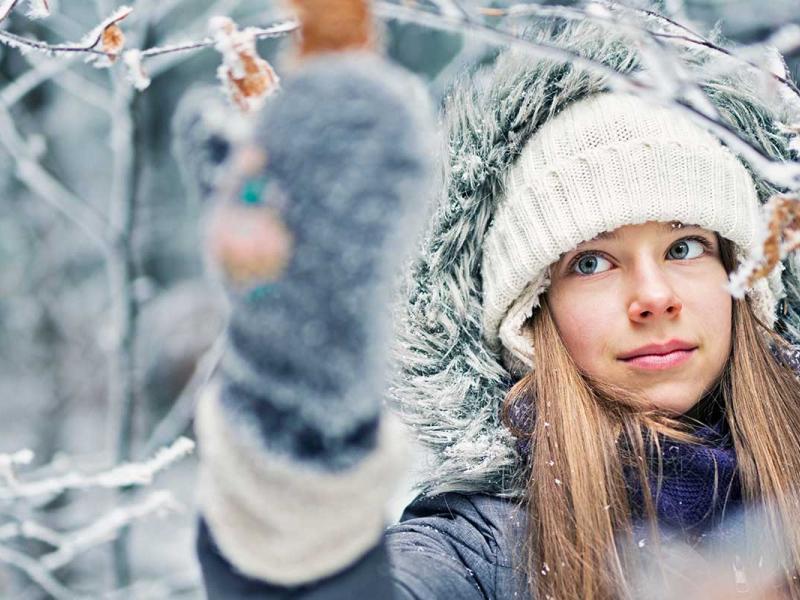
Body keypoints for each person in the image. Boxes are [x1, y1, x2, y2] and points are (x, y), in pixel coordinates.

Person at [188, 8, 800, 599]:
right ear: (529, 319)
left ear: (748, 276)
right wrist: (295, 427)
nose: (654, 297)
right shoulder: (481, 552)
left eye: (686, 246)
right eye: (590, 262)